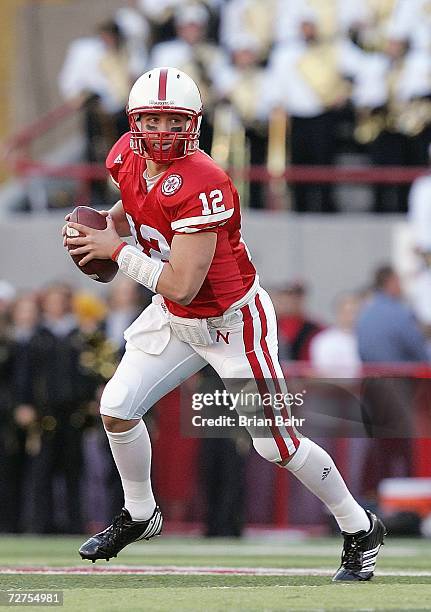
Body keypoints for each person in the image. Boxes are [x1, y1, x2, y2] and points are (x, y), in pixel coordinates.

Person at [63, 67, 386, 580]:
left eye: (174, 121)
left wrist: (116, 251)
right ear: (134, 123)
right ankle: (141, 514)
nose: (163, 131)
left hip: (231, 320)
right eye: (152, 120)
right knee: (117, 408)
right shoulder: (124, 155)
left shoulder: (205, 181)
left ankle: (358, 525)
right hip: (176, 319)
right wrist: (105, 228)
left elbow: (181, 284)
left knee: (275, 443)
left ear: (193, 124)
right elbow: (137, 205)